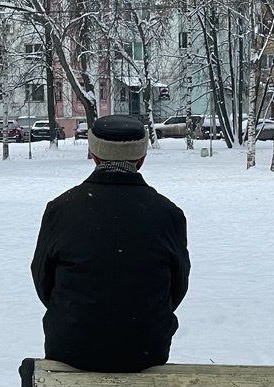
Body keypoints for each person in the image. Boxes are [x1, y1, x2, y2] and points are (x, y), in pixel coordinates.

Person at [31, 114, 189, 372]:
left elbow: (43, 279)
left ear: (93, 153)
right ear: (141, 158)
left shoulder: (62, 210)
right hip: (145, 347)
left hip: (72, 345)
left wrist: (77, 313)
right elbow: (177, 284)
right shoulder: (167, 213)